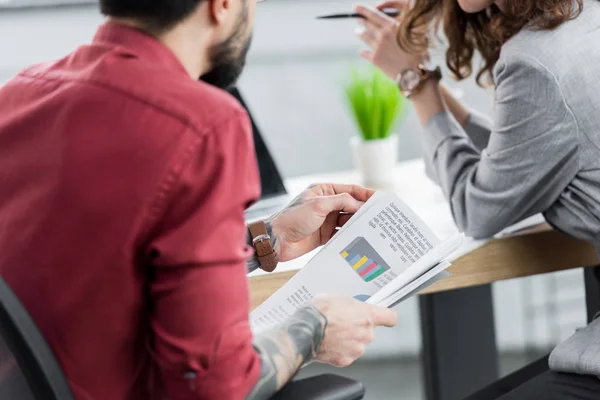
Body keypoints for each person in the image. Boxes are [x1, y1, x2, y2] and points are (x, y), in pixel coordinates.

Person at [0, 1, 399, 399]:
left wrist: (268, 237)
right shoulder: (203, 124)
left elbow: (105, 268)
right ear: (222, 5)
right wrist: (316, 328)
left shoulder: (20, 96)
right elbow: (215, 386)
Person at [354, 0, 600, 398]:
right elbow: (527, 152)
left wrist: (413, 82)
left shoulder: (534, 59)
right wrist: (425, 79)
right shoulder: (581, 18)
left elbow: (478, 210)